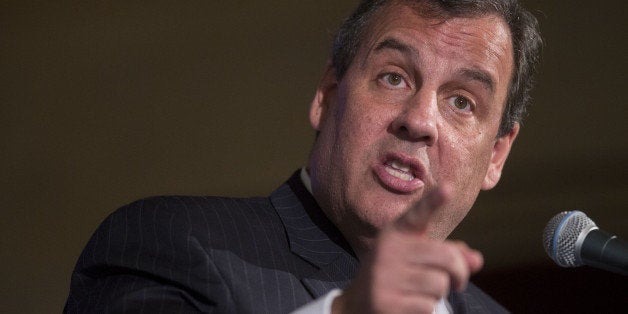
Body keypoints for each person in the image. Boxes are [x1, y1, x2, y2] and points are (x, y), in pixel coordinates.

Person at [65, 0, 541, 313]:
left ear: (496, 154)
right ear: (329, 96)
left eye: (462, 101)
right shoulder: (170, 245)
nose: (419, 121)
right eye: (393, 77)